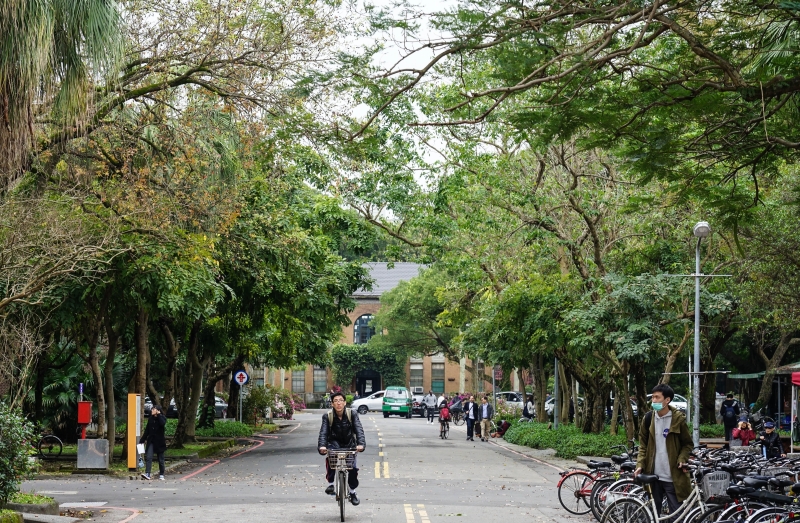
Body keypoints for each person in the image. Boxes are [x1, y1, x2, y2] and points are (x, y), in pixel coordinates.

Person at [635, 384, 693, 517]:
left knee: (676, 516)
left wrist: (682, 459)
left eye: (657, 397)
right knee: (651, 515)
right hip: (653, 475)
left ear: (667, 400)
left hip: (672, 476)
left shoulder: (678, 419)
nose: (653, 400)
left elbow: (688, 444)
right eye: (653, 397)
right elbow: (642, 446)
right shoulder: (648, 419)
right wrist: (640, 465)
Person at [318, 391, 366, 506]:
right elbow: (323, 432)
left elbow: (359, 429)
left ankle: (352, 492)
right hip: (334, 444)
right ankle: (331, 484)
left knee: (352, 468)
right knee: (331, 459)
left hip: (350, 444)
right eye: (335, 401)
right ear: (332, 404)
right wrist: (322, 446)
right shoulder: (327, 416)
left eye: (340, 400)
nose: (338, 403)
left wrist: (361, 444)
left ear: (345, 403)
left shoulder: (352, 414)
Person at [140, 404, 167, 481]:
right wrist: (143, 439)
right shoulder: (150, 419)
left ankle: (161, 474)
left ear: (157, 410)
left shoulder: (162, 418)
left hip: (159, 442)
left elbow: (162, 423)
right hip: (151, 441)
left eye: (153, 409)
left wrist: (158, 415)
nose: (151, 411)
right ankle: (147, 473)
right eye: (152, 409)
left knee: (160, 459)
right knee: (149, 457)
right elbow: (147, 430)